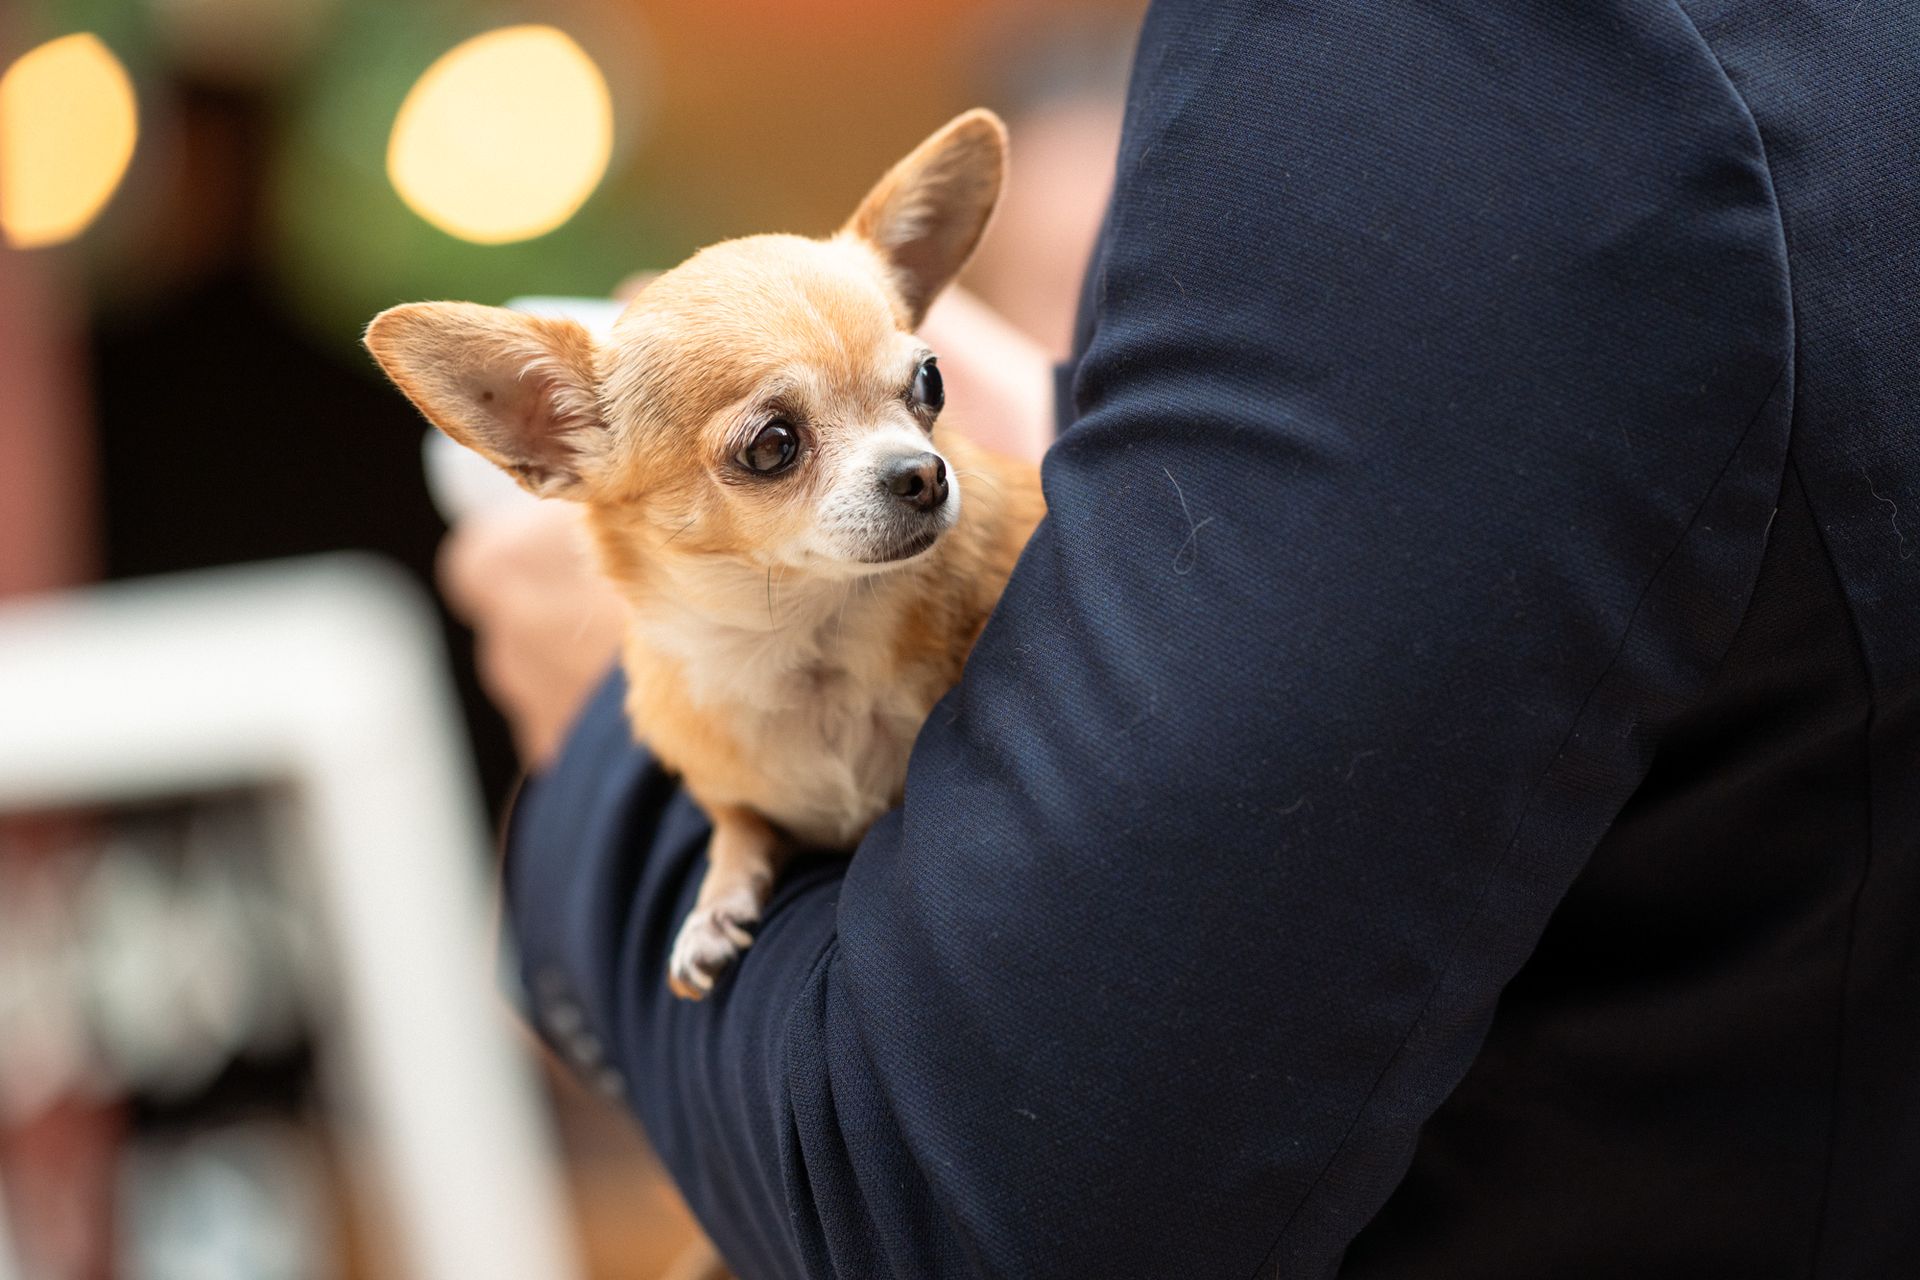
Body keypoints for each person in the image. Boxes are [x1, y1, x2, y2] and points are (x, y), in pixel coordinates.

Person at [442, 3, 1920, 1276]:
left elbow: (975, 1196)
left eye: (919, 392)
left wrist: (610, 745)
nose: (913, 463)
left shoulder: (1456, 53)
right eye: (775, 444)